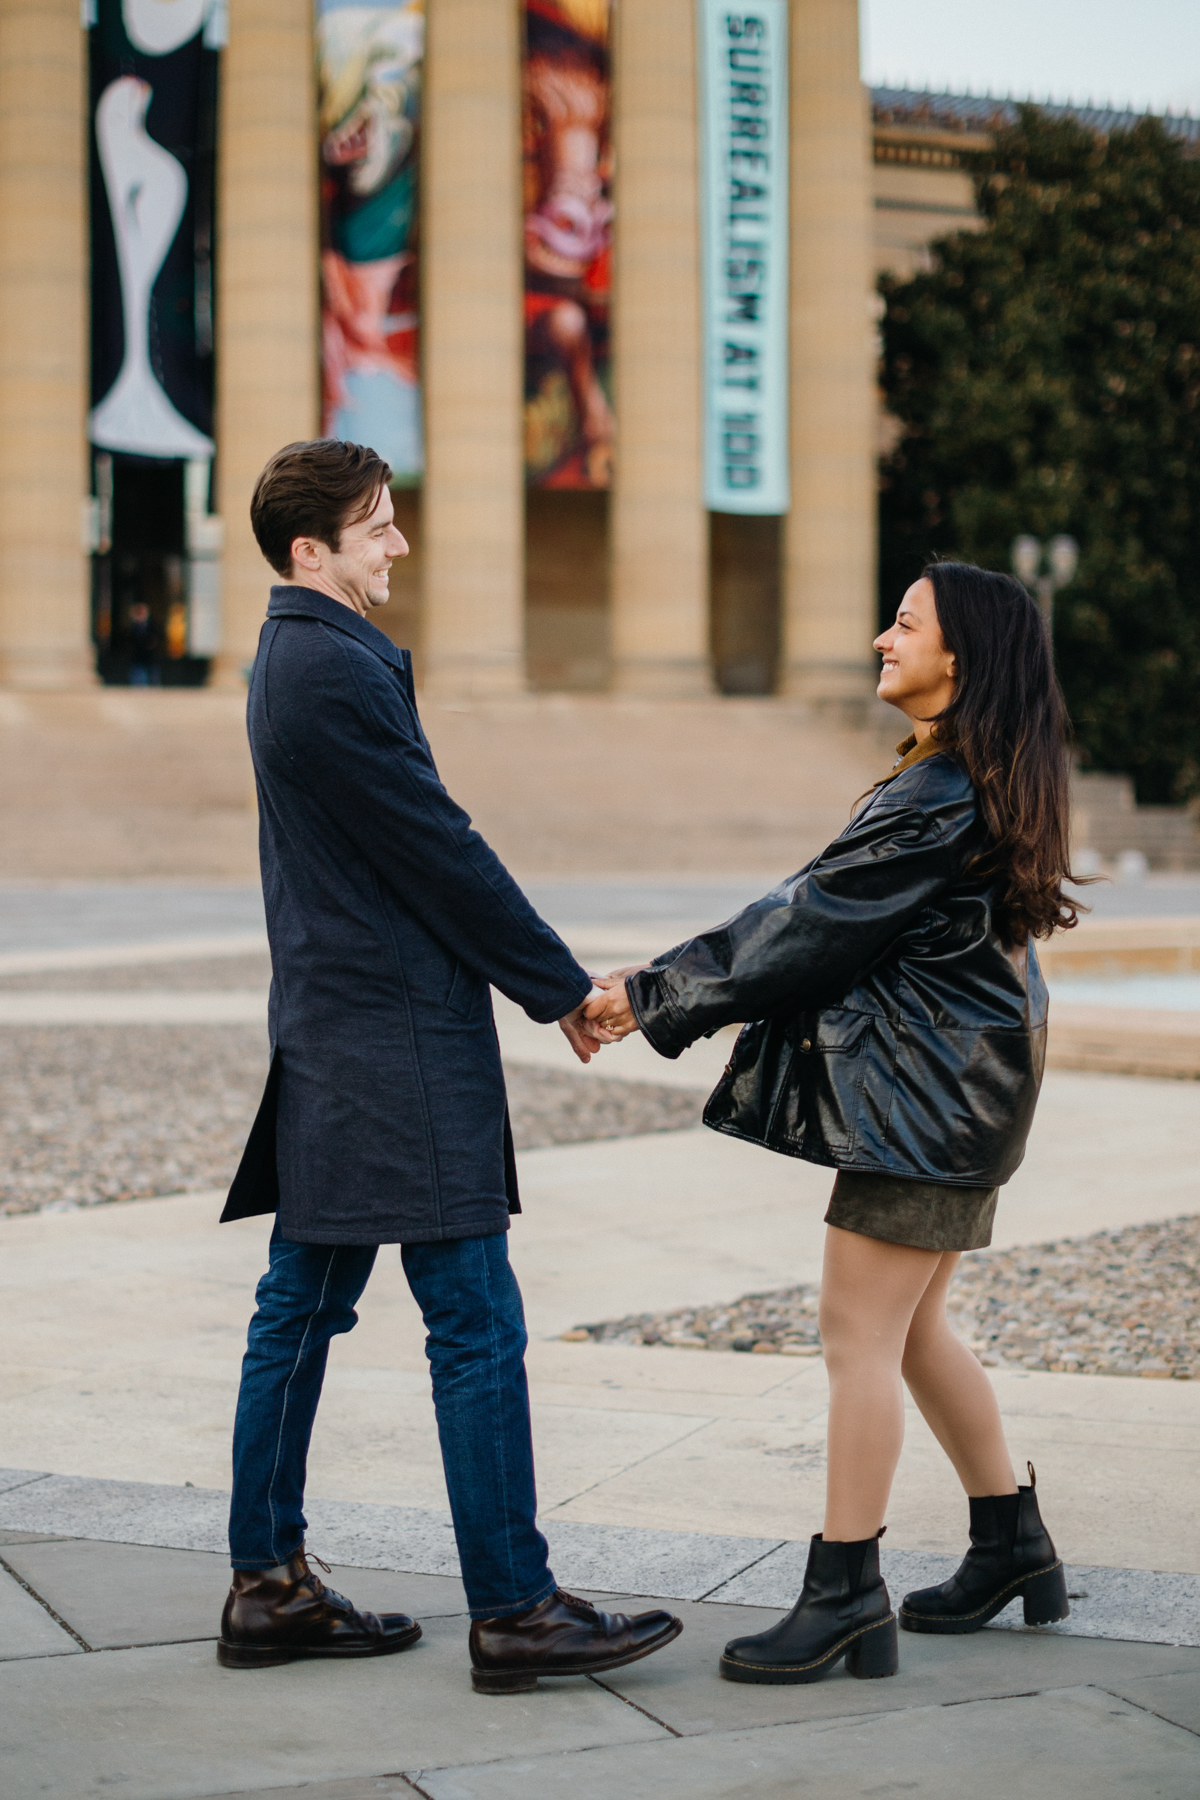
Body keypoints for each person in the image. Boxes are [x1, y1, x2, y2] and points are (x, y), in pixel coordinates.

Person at [216, 437, 682, 1694]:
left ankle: (267, 1582)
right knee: (474, 1320)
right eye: (375, 526)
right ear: (310, 549)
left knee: (302, 1309)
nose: (398, 544)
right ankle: (517, 1609)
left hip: (341, 1025)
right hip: (394, 1037)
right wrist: (558, 989)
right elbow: (439, 848)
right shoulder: (325, 668)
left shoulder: (304, 658)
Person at [588, 562, 1081, 1686]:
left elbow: (805, 922)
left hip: (926, 1106)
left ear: (963, 658)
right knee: (909, 1332)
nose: (877, 639)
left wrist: (650, 996)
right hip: (959, 1099)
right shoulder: (960, 781)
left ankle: (845, 1592)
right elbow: (813, 914)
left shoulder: (939, 794)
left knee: (857, 1338)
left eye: (905, 624)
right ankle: (1012, 1543)